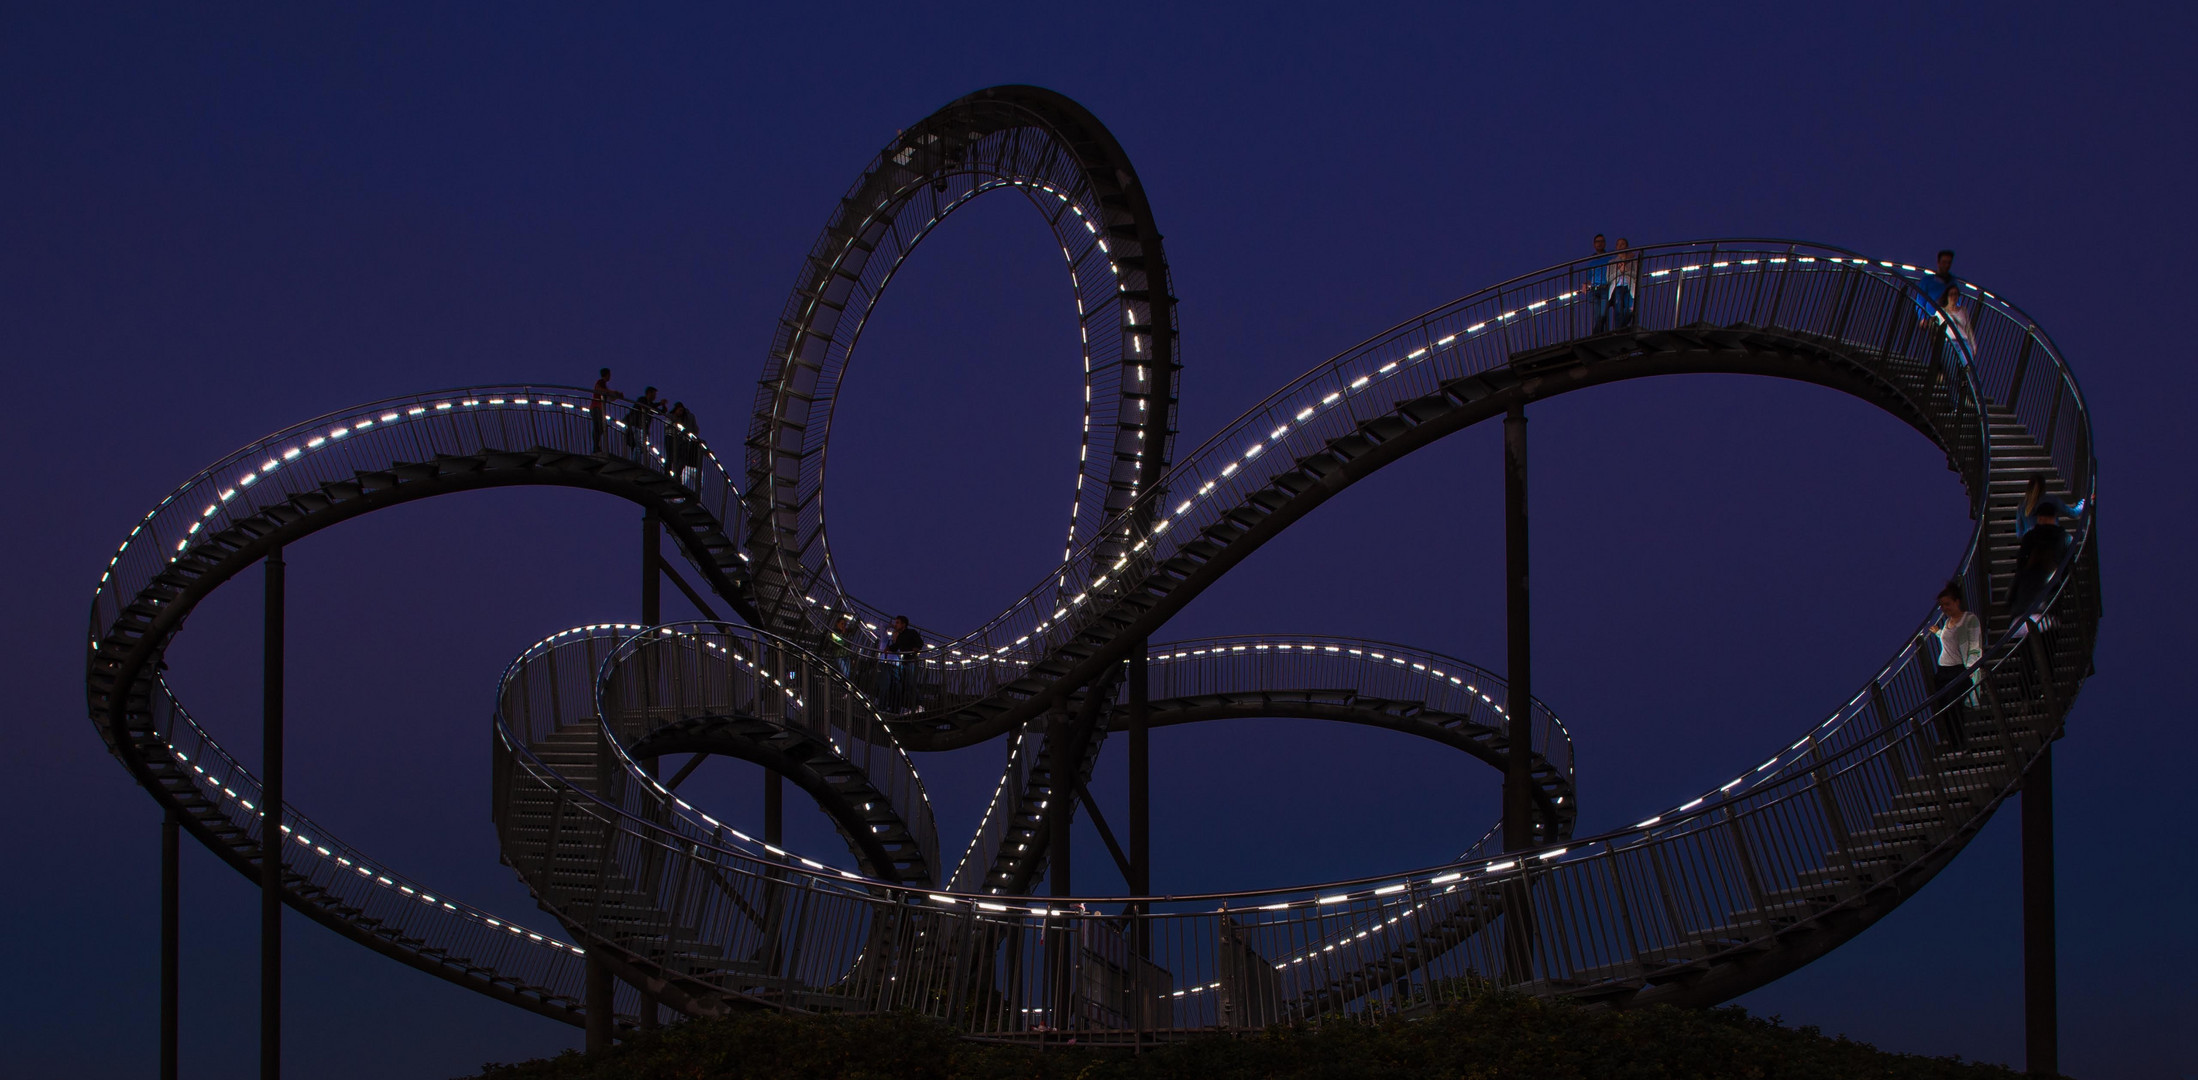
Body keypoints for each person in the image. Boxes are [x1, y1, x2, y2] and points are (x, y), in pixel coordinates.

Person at [2008, 501, 2070, 700]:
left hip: (2026, 610)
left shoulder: (2030, 539)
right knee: (2048, 652)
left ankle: (2025, 695)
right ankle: (2044, 691)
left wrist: (2012, 602)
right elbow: (2067, 568)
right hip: (2047, 610)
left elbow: (2020, 567)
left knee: (2027, 656)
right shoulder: (2063, 538)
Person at [1926, 580, 1982, 751]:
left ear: (1957, 602)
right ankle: (1953, 742)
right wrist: (1938, 633)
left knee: (1953, 705)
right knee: (1943, 708)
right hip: (1943, 671)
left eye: (1948, 604)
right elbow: (1950, 641)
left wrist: (1971, 669)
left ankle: (1961, 742)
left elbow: (1974, 645)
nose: (1945, 608)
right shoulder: (1948, 622)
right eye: (1942, 606)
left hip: (1960, 670)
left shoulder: (1969, 619)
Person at [2016, 475, 2085, 539]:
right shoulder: (2052, 500)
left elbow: (2019, 534)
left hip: (2031, 546)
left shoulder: (2022, 505)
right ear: (2044, 487)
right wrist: (2084, 502)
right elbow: (2073, 513)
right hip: (2051, 543)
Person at [881, 615, 923, 712]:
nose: (896, 625)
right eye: (895, 623)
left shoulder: (912, 632)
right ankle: (895, 708)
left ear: (903, 624)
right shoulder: (899, 636)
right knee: (901, 685)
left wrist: (916, 648)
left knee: (909, 684)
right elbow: (896, 646)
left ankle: (919, 704)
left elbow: (920, 643)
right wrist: (889, 649)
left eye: (897, 623)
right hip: (903, 661)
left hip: (910, 660)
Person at [1606, 237, 1639, 330]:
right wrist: (1620, 271)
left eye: (1622, 244)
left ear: (1627, 246)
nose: (1620, 246)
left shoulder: (1633, 261)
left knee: (1630, 309)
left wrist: (1626, 270)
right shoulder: (1612, 262)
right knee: (1618, 311)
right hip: (1617, 288)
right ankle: (1620, 330)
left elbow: (1636, 274)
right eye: (1618, 244)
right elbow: (1609, 278)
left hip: (1629, 286)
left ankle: (1621, 329)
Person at [589, 368, 625, 453]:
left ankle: (596, 446)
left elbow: (609, 397)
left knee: (599, 427)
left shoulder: (603, 384)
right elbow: (600, 390)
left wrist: (616, 395)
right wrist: (614, 392)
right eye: (609, 374)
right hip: (596, 407)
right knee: (598, 427)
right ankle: (596, 446)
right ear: (607, 374)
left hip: (598, 408)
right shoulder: (600, 382)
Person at [665, 401, 699, 486]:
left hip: (678, 438)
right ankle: (675, 475)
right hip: (680, 438)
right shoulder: (682, 417)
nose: (680, 412)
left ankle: (671, 474)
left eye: (681, 411)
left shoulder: (684, 417)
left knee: (674, 457)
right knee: (677, 458)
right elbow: (695, 429)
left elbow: (668, 425)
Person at [623, 385, 662, 458]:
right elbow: (647, 406)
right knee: (639, 445)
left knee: (640, 446)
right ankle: (635, 461)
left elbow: (660, 412)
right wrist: (659, 404)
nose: (655, 396)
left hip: (642, 427)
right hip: (636, 425)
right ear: (649, 393)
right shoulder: (642, 400)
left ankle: (636, 460)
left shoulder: (650, 404)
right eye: (654, 394)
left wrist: (663, 405)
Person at [819, 612, 856, 683]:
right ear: (837, 624)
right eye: (842, 624)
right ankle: (843, 687)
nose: (843, 626)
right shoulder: (833, 633)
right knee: (845, 674)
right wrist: (843, 634)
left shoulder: (846, 633)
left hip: (847, 656)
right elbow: (840, 642)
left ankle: (843, 687)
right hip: (839, 656)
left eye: (844, 624)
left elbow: (848, 645)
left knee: (847, 674)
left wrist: (852, 657)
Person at [1585, 234, 1611, 333]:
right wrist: (1585, 284)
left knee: (1603, 314)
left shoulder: (1609, 258)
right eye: (1597, 242)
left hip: (1605, 288)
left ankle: (1596, 334)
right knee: (1597, 316)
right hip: (1594, 290)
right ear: (1594, 244)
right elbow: (1589, 276)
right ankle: (1601, 334)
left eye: (1601, 242)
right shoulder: (1591, 260)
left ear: (1604, 244)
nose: (1599, 244)